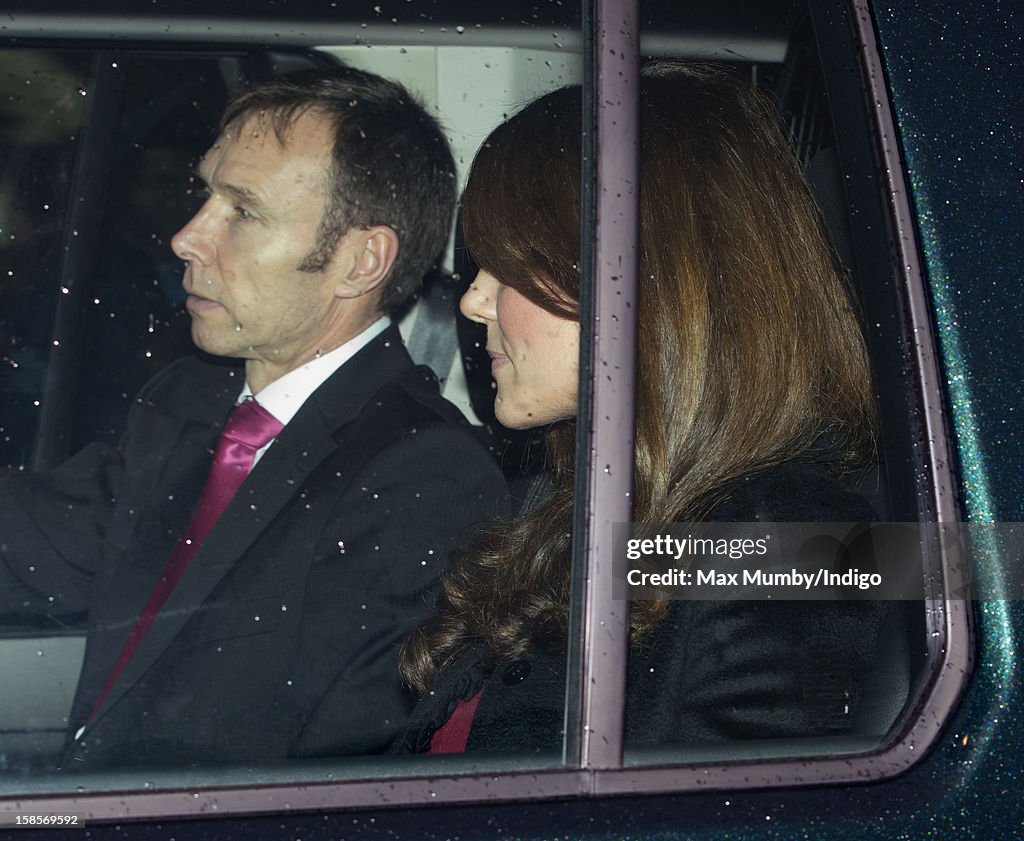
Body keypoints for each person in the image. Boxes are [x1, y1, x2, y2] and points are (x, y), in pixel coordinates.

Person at [0, 67, 506, 767]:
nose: (186, 236)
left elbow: (331, 780)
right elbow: (39, 542)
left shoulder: (423, 474)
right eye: (206, 195)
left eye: (242, 210)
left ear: (360, 261)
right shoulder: (190, 399)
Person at [393, 61, 886, 754]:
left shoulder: (781, 540)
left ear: (647, 282)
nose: (474, 301)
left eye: (507, 263)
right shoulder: (567, 499)